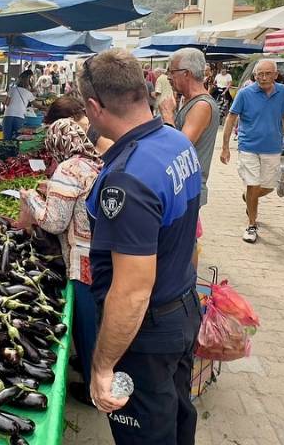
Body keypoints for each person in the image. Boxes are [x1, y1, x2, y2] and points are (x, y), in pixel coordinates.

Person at [78, 49, 203, 445]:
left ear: (95, 107)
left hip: (145, 333)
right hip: (181, 308)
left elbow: (131, 292)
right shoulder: (175, 142)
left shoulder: (126, 179)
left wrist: (102, 367)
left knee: (147, 433)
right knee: (177, 416)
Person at [18, 118, 102, 405]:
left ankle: (94, 389)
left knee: (88, 326)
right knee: (91, 322)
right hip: (100, 254)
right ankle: (88, 365)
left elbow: (54, 222)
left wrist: (30, 198)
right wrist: (51, 189)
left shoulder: (68, 168)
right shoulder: (93, 162)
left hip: (83, 260)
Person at [220, 59, 284, 244]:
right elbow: (231, 118)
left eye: (267, 74)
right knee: (253, 184)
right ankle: (251, 224)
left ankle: (249, 198)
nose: (263, 78)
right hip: (248, 146)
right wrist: (225, 147)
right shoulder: (245, 93)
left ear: (276, 75)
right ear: (254, 76)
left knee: (270, 186)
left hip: (272, 147)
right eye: (259, 74)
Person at [160, 48, 219, 209]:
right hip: (181, 187)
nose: (168, 77)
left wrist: (167, 115)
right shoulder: (187, 100)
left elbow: (179, 147)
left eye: (171, 71)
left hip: (187, 189)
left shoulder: (201, 106)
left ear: (186, 73)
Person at [2, 70, 36, 140]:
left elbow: (6, 103)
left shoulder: (12, 89)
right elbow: (36, 105)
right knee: (18, 138)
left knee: (6, 139)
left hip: (8, 115)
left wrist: (4, 102)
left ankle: (6, 150)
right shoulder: (28, 93)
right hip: (19, 117)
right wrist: (45, 108)